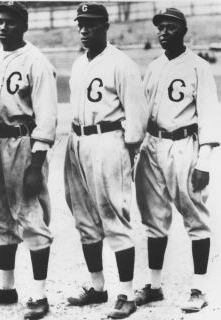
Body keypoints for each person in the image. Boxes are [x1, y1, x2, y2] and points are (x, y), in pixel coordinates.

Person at [0, 2, 58, 320]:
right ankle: (6, 287)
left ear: (23, 26)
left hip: (23, 142)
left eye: (9, 22)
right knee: (0, 217)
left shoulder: (36, 62)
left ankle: (39, 294)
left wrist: (37, 162)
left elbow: (47, 116)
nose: (2, 27)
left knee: (30, 216)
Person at [64, 3, 148, 319]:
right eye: (81, 25)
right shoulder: (78, 64)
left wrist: (127, 151)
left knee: (115, 215)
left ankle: (126, 294)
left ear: (106, 26)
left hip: (109, 140)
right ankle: (97, 287)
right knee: (84, 217)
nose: (85, 30)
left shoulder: (121, 64)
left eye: (92, 25)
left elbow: (137, 116)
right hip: (78, 141)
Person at [134, 8, 220, 313]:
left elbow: (209, 113)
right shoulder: (155, 66)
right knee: (153, 217)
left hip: (184, 145)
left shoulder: (198, 67)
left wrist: (205, 162)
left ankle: (199, 289)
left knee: (195, 217)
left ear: (183, 32)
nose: (163, 33)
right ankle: (155, 286)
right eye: (160, 28)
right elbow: (143, 113)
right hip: (153, 145)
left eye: (170, 28)